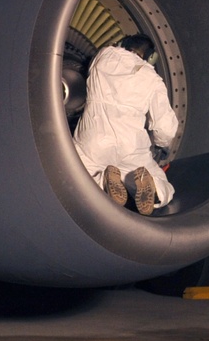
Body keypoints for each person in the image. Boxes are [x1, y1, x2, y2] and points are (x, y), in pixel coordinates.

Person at [73, 34, 181, 215]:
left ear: (121, 44)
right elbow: (165, 128)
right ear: (151, 57)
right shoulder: (152, 78)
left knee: (77, 177)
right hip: (131, 145)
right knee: (160, 183)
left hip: (93, 139)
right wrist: (161, 144)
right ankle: (154, 190)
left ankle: (103, 184)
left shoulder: (103, 56)